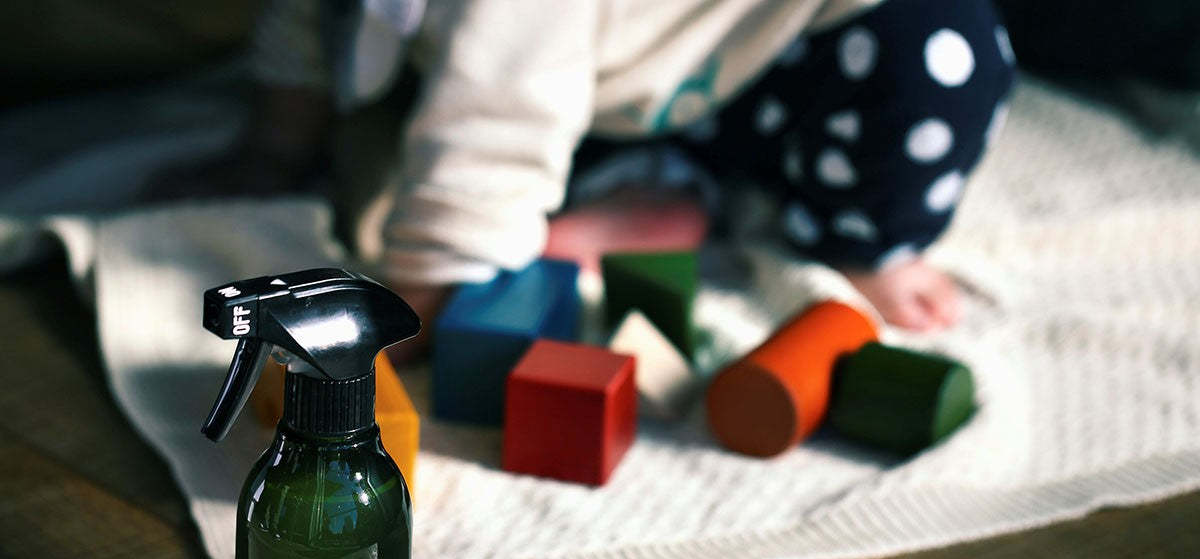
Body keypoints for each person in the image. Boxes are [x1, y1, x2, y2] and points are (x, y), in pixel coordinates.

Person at [215, 0, 1016, 341]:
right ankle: (658, 182)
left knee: (937, 57)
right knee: (394, 146)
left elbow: (496, 106)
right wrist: (273, 152)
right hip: (610, 79)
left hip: (790, 49)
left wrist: (419, 291)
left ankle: (869, 235)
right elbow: (308, 24)